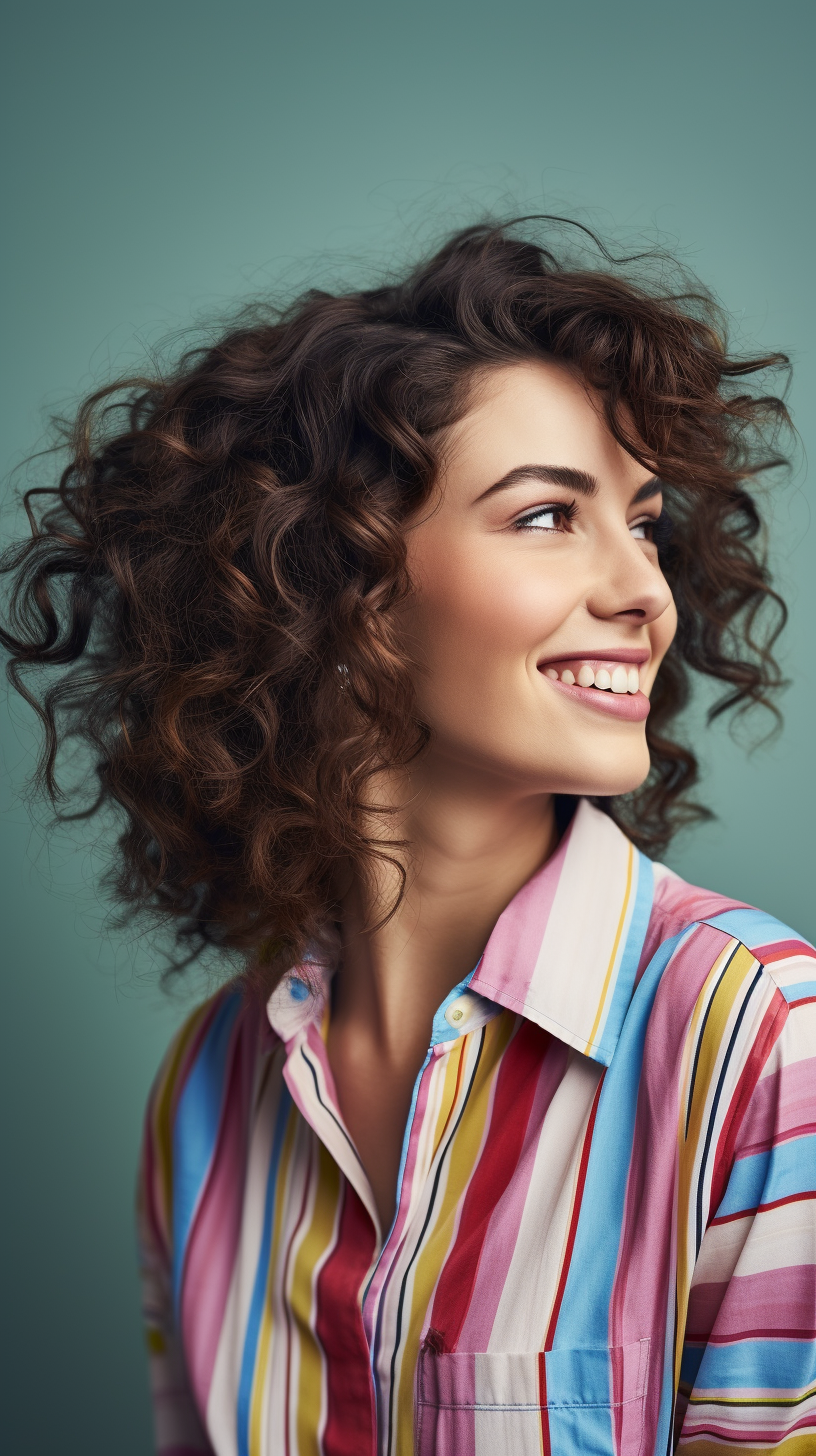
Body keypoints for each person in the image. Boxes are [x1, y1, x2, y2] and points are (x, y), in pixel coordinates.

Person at [3, 221, 814, 1456]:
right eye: (548, 517)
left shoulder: (765, 1042)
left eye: (644, 522)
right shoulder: (207, 1087)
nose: (646, 590)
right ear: (339, 589)